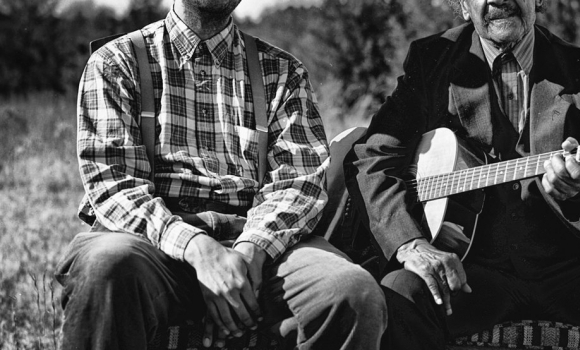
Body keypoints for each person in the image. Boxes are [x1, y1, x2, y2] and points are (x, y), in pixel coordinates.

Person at [347, 0, 580, 349]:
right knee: (400, 292)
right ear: (463, 7)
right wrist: (410, 244)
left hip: (570, 268)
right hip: (469, 270)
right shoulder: (433, 61)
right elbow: (374, 154)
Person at [54, 1, 387, 349]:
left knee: (350, 291)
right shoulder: (116, 61)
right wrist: (198, 249)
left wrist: (249, 251)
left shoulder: (283, 71)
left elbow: (298, 182)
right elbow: (114, 183)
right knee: (106, 266)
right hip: (151, 244)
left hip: (258, 241)